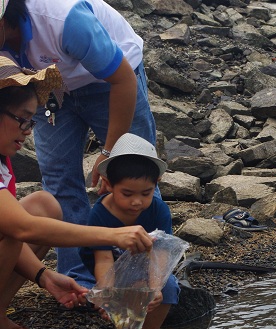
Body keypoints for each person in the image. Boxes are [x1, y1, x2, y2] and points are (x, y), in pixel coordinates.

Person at [0, 56, 153, 329]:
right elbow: (20, 229)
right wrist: (113, 235)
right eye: (22, 121)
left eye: (32, 122)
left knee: (44, 205)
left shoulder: (3, 162)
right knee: (27, 221)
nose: (28, 132)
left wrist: (44, 277)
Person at [0, 0, 158, 288]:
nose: (24, 132)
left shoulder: (62, 19)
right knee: (58, 181)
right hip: (44, 86)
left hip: (110, 79)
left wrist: (109, 152)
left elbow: (123, 80)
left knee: (133, 171)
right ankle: (80, 279)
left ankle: (147, 279)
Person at [79, 133, 179, 329]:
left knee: (170, 288)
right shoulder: (100, 214)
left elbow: (161, 253)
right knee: (125, 293)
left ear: (156, 184)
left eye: (146, 193)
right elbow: (103, 259)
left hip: (145, 261)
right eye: (127, 194)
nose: (137, 202)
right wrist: (107, 293)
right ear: (109, 185)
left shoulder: (158, 210)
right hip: (110, 265)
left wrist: (155, 287)